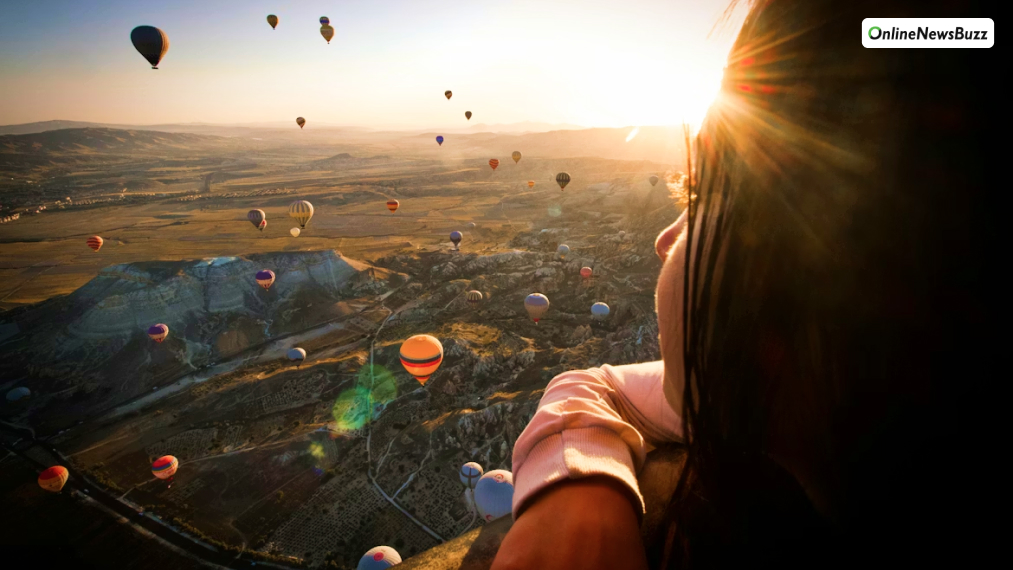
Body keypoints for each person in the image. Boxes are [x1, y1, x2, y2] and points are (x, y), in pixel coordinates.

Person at [492, 0, 997, 568]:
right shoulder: (818, 401)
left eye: (707, 192)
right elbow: (595, 384)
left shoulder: (796, 387)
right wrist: (579, 496)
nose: (664, 238)